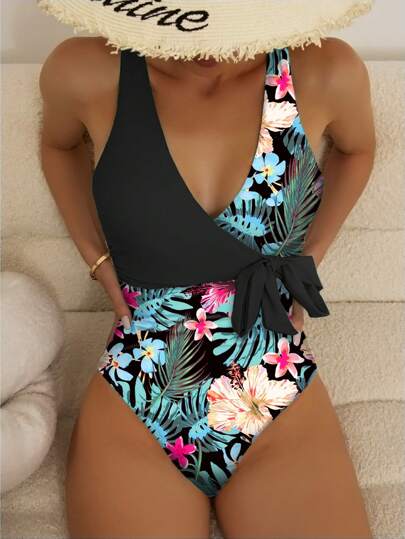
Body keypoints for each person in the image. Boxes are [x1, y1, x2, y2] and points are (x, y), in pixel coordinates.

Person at [38, 2, 376, 537]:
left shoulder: (325, 70)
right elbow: (59, 145)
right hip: (139, 390)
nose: (206, 44)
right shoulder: (85, 71)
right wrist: (95, 257)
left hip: (273, 387)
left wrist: (312, 251)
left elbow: (358, 149)